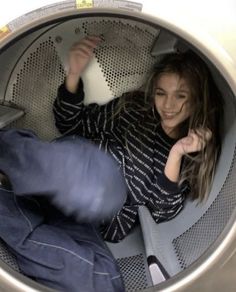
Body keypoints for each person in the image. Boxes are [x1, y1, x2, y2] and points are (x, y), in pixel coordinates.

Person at [53, 36, 223, 243]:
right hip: (69, 163)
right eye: (161, 94)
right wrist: (73, 73)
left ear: (197, 100)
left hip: (94, 205)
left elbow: (161, 211)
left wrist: (176, 152)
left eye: (180, 96)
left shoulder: (192, 152)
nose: (168, 105)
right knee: (23, 147)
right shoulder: (134, 108)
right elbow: (71, 126)